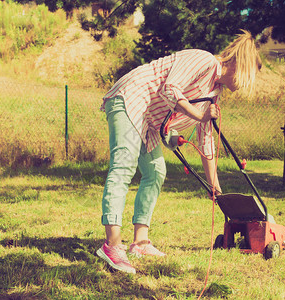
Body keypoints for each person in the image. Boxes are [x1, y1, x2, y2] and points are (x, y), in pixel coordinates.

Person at [96, 30, 262, 274]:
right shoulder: (204, 60)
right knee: (124, 166)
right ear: (239, 64)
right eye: (247, 78)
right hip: (131, 97)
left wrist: (216, 190)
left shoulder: (213, 96)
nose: (244, 86)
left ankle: (140, 242)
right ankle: (112, 245)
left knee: (155, 172)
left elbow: (207, 145)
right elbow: (169, 89)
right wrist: (198, 115)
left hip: (148, 120)